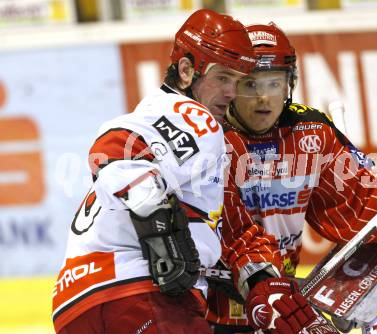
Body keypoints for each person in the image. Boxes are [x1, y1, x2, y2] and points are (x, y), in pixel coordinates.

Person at [205, 22, 377, 333]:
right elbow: (211, 233)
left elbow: (358, 212)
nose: (263, 98)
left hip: (283, 307)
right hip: (206, 307)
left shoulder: (312, 131)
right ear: (231, 86)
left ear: (290, 84)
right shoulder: (207, 136)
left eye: (273, 84)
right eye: (251, 85)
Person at [51, 9, 257, 334]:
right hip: (137, 295)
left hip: (75, 303)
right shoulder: (194, 116)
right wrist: (163, 235)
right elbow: (114, 148)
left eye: (238, 81)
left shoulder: (156, 112)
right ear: (187, 70)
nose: (231, 92)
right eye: (222, 78)